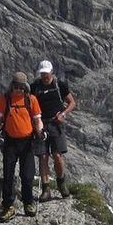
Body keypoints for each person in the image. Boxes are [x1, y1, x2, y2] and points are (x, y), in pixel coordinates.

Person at [0, 72, 43, 222]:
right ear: (12, 85)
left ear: (25, 87)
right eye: (16, 86)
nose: (19, 90)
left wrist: (40, 131)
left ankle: (28, 203)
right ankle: (8, 206)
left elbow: (37, 120)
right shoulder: (4, 99)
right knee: (8, 174)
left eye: (21, 87)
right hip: (10, 142)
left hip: (27, 142)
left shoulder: (31, 100)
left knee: (27, 175)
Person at [30, 60, 76, 201]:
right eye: (42, 73)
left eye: (47, 73)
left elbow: (72, 102)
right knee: (43, 156)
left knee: (57, 156)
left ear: (52, 72)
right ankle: (46, 190)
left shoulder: (59, 85)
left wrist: (63, 114)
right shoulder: (34, 87)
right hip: (41, 124)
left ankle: (61, 183)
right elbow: (29, 104)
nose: (45, 76)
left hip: (56, 124)